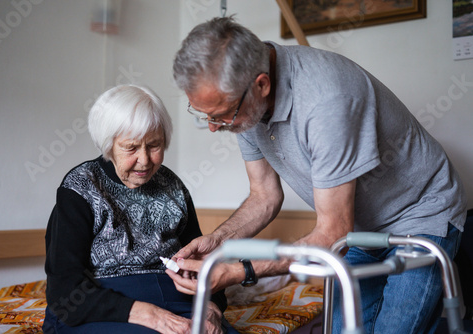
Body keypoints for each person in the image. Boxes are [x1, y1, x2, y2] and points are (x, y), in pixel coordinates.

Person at [169, 16, 467, 333]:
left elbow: (331, 232)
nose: (215, 127)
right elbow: (264, 196)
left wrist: (241, 271)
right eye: (206, 116)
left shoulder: (327, 100)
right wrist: (218, 242)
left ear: (261, 85)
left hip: (420, 213)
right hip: (357, 230)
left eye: (221, 115)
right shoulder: (244, 103)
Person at [43, 85, 237, 334]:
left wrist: (211, 308)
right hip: (101, 308)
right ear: (108, 144)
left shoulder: (173, 186)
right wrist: (151, 315)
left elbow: (202, 265)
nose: (145, 160)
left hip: (178, 302)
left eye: (154, 146)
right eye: (131, 148)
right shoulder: (80, 187)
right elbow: (64, 292)